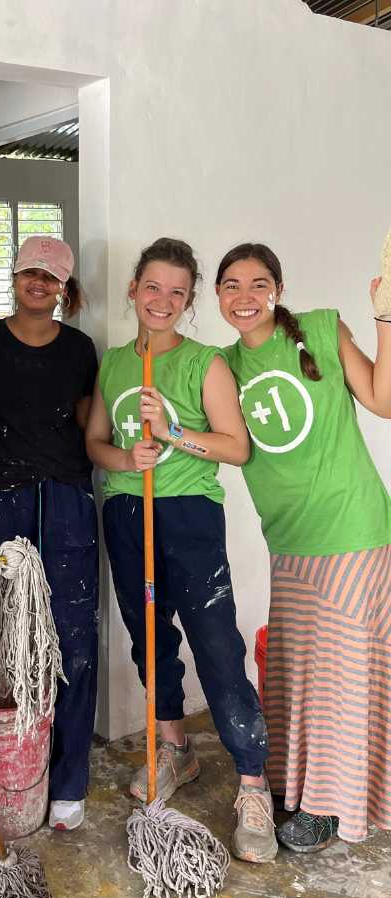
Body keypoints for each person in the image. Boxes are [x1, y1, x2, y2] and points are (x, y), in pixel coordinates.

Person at [86, 237, 275, 862]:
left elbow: (236, 447)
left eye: (176, 291)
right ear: (133, 290)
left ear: (188, 300)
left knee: (216, 640)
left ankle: (252, 781)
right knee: (150, 636)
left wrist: (171, 435)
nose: (161, 300)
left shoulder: (203, 364)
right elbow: (96, 443)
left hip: (188, 514)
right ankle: (175, 747)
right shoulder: (114, 363)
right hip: (124, 508)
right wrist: (126, 456)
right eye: (152, 287)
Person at [216, 242, 391, 853]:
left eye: (258, 283)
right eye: (231, 285)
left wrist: (386, 317)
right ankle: (302, 787)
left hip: (352, 527)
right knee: (297, 673)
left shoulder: (319, 328)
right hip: (288, 537)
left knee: (344, 678)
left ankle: (330, 808)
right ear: (216, 297)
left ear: (279, 289)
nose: (245, 297)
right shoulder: (222, 366)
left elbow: (383, 400)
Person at [0, 235, 99, 832]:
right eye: (30, 271)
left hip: (69, 502)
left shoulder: (80, 350)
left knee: (75, 642)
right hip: (4, 501)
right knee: (13, 637)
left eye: (51, 276)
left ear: (64, 287)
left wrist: (135, 445)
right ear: (15, 276)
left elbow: (91, 429)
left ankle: (69, 778)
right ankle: (21, 761)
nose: (39, 282)